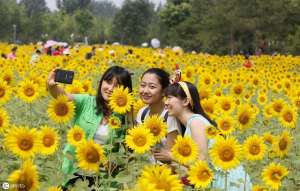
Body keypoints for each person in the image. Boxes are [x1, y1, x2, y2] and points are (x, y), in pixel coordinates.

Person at [47, 66, 133, 190]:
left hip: (102, 179)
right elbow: (63, 95)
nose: (111, 89)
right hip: (74, 172)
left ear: (125, 90)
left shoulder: (124, 116)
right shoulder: (86, 102)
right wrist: (51, 85)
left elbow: (127, 151)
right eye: (108, 82)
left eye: (118, 85)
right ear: (101, 82)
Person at [155, 81, 252, 190]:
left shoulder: (196, 122)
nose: (166, 102)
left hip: (227, 181)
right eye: (165, 98)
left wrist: (171, 156)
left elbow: (201, 161)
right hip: (216, 179)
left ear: (186, 101)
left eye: (169, 98)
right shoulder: (191, 124)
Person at [136, 68, 179, 163]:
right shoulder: (142, 113)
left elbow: (170, 155)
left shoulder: (170, 116)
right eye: (143, 85)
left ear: (164, 91)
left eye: (152, 87)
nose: (145, 91)